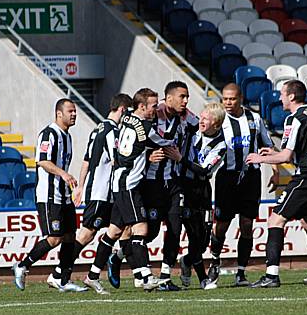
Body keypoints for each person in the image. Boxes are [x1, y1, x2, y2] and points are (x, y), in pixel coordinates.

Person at [246, 79, 307, 288]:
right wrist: (275, 153)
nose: (280, 98)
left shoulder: (294, 119)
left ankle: (271, 275)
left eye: (283, 94)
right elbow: (305, 151)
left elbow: (286, 156)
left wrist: (261, 159)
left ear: (292, 96)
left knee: (275, 220)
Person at [96, 88, 175, 291]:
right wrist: (175, 145)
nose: (156, 110)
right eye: (153, 106)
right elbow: (163, 142)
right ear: (142, 106)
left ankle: (93, 274)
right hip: (128, 184)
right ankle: (145, 276)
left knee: (113, 232)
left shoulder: (127, 119)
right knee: (141, 228)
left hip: (121, 181)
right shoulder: (146, 127)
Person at [12, 98, 87, 292]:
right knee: (55, 238)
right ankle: (22, 266)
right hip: (49, 195)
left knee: (71, 237)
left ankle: (62, 279)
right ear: (58, 113)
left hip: (64, 196)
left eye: (75, 111)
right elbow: (43, 161)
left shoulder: (67, 136)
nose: (74, 114)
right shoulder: (48, 134)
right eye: (70, 111)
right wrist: (64, 174)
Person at [208, 83, 278, 287]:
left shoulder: (254, 119)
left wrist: (275, 171)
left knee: (247, 225)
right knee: (221, 224)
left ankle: (241, 272)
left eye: (232, 99)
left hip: (250, 178)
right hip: (226, 177)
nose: (228, 103)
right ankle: (214, 262)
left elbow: (267, 145)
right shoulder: (219, 119)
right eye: (225, 99)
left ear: (241, 99)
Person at [139, 81, 199, 291]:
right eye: (182, 97)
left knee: (175, 227)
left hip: (174, 181)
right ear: (169, 98)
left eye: (187, 97)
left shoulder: (186, 116)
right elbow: (132, 140)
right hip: (151, 182)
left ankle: (165, 277)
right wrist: (147, 155)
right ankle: (121, 255)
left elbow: (202, 128)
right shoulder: (153, 115)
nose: (185, 101)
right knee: (151, 231)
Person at [71, 94, 132, 295]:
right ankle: (59, 273)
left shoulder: (97, 128)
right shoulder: (111, 131)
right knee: (87, 234)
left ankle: (98, 272)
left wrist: (80, 186)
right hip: (101, 192)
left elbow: (86, 160)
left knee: (120, 229)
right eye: (129, 113)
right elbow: (117, 161)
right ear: (123, 110)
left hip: (102, 192)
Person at [167, 102, 226, 290]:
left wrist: (181, 159)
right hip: (183, 188)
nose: (201, 121)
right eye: (201, 117)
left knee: (201, 243)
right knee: (192, 234)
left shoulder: (221, 145)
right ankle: (203, 279)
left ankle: (186, 261)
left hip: (202, 192)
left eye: (206, 119)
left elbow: (204, 171)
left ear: (216, 124)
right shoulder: (191, 131)